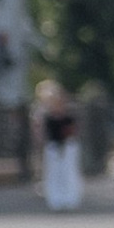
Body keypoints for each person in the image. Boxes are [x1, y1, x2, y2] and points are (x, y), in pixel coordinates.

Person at [35, 83, 83, 212]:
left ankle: (70, 199)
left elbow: (73, 131)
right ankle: (56, 200)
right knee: (53, 173)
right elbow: (41, 132)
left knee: (69, 172)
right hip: (52, 146)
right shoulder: (47, 116)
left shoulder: (69, 116)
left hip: (67, 146)